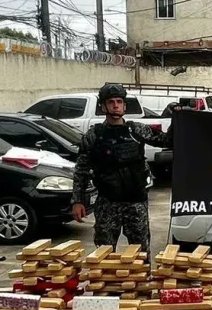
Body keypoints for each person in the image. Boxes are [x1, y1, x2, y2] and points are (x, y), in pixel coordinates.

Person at [72, 83, 173, 254]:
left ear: (125, 106)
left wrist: (175, 117)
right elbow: (81, 170)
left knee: (141, 254)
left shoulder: (137, 130)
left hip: (136, 203)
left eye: (119, 102)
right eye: (111, 102)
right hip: (107, 204)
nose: (116, 106)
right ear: (103, 106)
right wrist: (77, 201)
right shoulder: (94, 135)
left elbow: (168, 141)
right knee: (104, 255)